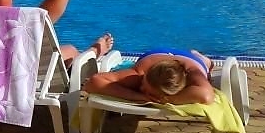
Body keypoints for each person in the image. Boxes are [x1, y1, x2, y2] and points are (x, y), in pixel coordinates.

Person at [84, 49, 216, 105]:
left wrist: (167, 100)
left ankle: (202, 57)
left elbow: (206, 96)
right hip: (156, 53)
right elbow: (93, 82)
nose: (141, 88)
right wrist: (138, 96)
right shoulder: (139, 73)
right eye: (143, 84)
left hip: (193, 60)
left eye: (148, 91)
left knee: (206, 64)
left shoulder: (193, 73)